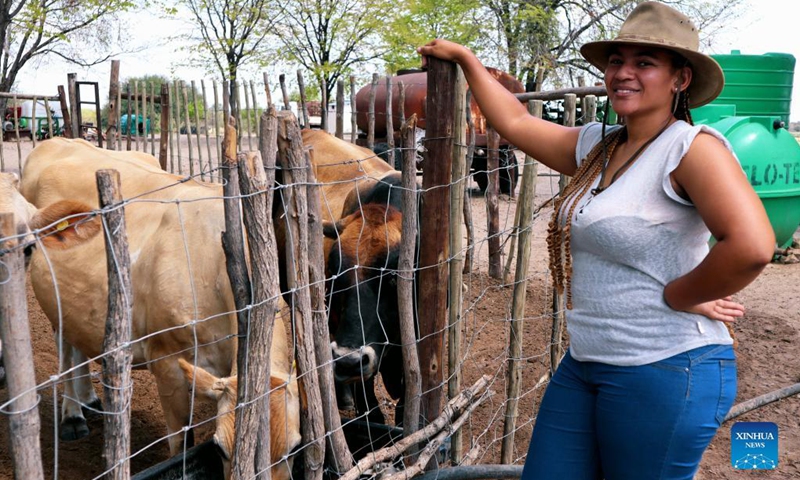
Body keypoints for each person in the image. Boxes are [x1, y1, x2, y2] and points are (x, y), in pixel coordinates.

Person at [418, 2, 775, 479]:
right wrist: (467, 60)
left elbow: (752, 246)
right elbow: (517, 124)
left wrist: (682, 293)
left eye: (644, 62)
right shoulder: (599, 146)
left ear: (680, 79)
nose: (623, 73)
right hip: (586, 361)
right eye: (616, 61)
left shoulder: (691, 149)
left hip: (665, 367)